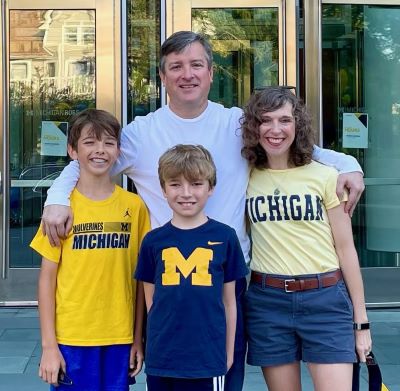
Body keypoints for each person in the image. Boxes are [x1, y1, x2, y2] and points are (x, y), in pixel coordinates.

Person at [40, 31, 365, 391]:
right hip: (165, 283)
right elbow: (91, 161)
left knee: (222, 380)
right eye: (176, 67)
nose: (187, 74)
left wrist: (349, 162)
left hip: (228, 280)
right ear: (162, 78)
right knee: (168, 378)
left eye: (196, 64)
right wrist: (57, 198)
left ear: (211, 72)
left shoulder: (237, 124)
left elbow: (296, 145)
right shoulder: (140, 133)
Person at [242, 87, 372, 391]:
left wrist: (361, 322)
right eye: (266, 120)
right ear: (254, 127)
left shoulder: (326, 176)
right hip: (267, 301)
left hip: (324, 299)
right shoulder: (246, 176)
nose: (276, 129)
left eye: (285, 120)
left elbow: (346, 249)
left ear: (297, 125)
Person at [30, 109, 150, 390]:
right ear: (72, 150)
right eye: (90, 142)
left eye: (109, 142)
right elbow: (47, 280)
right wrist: (49, 346)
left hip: (119, 337)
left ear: (119, 150)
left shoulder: (134, 207)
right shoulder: (60, 210)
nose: (100, 150)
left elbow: (141, 280)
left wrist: (137, 339)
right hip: (72, 338)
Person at [135, 144, 248, 391]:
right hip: (162, 360)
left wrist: (228, 353)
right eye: (175, 184)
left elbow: (230, 303)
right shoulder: (153, 242)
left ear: (211, 188)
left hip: (208, 358)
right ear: (163, 189)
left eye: (196, 184)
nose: (186, 193)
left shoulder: (225, 237)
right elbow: (151, 304)